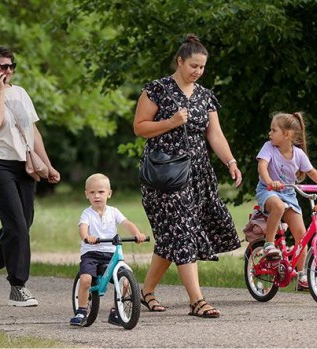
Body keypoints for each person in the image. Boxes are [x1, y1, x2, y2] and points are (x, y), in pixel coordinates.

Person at [133, 34, 242, 319]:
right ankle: (197, 300)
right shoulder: (157, 89)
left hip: (197, 174)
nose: (197, 71)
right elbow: (140, 127)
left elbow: (214, 134)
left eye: (202, 67)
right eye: (193, 65)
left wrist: (230, 161)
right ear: (179, 61)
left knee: (172, 237)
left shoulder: (205, 95)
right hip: (164, 173)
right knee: (182, 232)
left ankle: (145, 293)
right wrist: (171, 122)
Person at [0, 44, 61, 307]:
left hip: (24, 164)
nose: (8, 71)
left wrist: (49, 164)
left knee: (22, 224)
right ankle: (18, 286)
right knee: (17, 226)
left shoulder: (21, 93)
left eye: (11, 66)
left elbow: (33, 133)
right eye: (2, 66)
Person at [255, 111, 317, 290]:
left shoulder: (299, 154)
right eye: (270, 130)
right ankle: (269, 244)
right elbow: (262, 166)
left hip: (290, 194)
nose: (270, 133)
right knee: (278, 206)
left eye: (274, 130)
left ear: (288, 134)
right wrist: (270, 182)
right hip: (268, 191)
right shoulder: (269, 147)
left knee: (301, 236)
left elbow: (312, 172)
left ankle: (302, 276)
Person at [70, 173, 147, 327]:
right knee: (86, 280)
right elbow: (83, 228)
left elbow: (126, 223)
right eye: (92, 192)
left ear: (109, 193)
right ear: (86, 194)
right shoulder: (87, 213)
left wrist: (137, 234)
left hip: (111, 254)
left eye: (101, 192)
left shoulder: (114, 212)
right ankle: (82, 310)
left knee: (125, 282)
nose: (96, 196)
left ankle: (116, 312)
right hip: (91, 254)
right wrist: (87, 237)